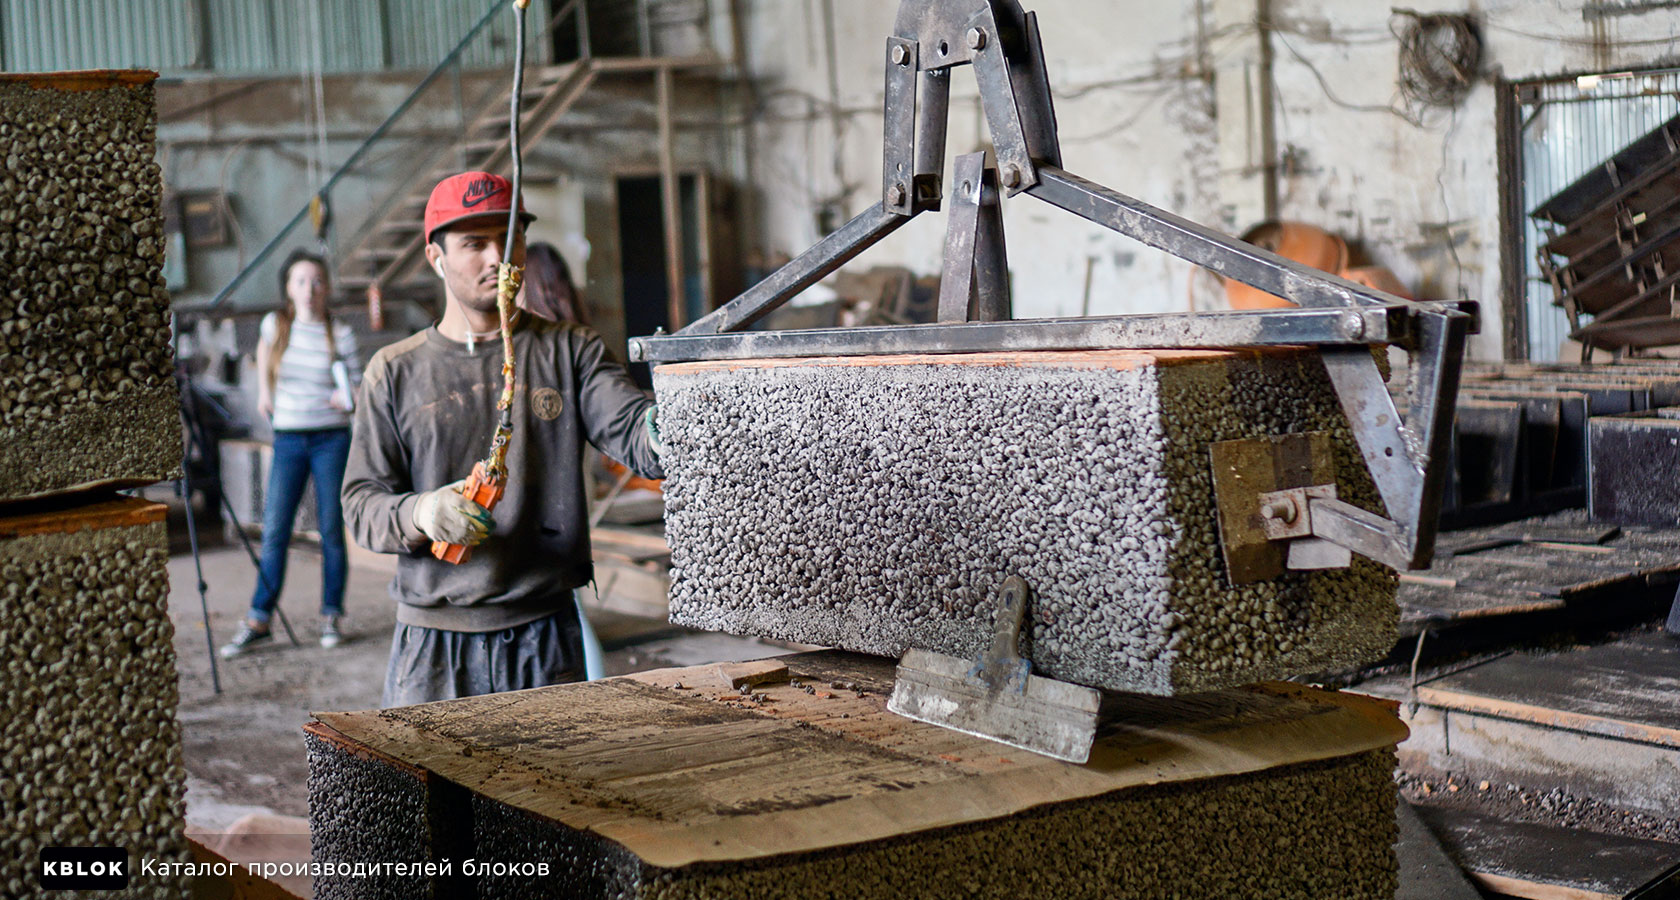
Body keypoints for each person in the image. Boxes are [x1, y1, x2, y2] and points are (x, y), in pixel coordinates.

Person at [342, 171, 663, 707]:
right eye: (474, 244)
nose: (497, 257)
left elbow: (631, 430)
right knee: (431, 788)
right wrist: (420, 512)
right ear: (435, 257)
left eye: (508, 238)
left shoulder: (569, 350)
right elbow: (359, 506)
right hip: (434, 644)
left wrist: (668, 428)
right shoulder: (394, 372)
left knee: (546, 790)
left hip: (545, 636)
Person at [222, 249, 360, 658]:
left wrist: (345, 397)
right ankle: (258, 619)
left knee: (331, 530)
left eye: (317, 281)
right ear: (289, 288)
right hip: (288, 438)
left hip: (331, 438)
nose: (309, 289)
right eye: (301, 281)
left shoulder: (341, 333)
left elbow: (355, 384)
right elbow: (265, 354)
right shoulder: (276, 325)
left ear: (327, 288)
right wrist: (265, 390)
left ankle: (331, 614)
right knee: (276, 528)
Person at [517, 242, 609, 681]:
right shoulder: (577, 331)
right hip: (575, 481)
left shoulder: (549, 345)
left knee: (564, 602)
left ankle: (594, 686)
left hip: (552, 488)